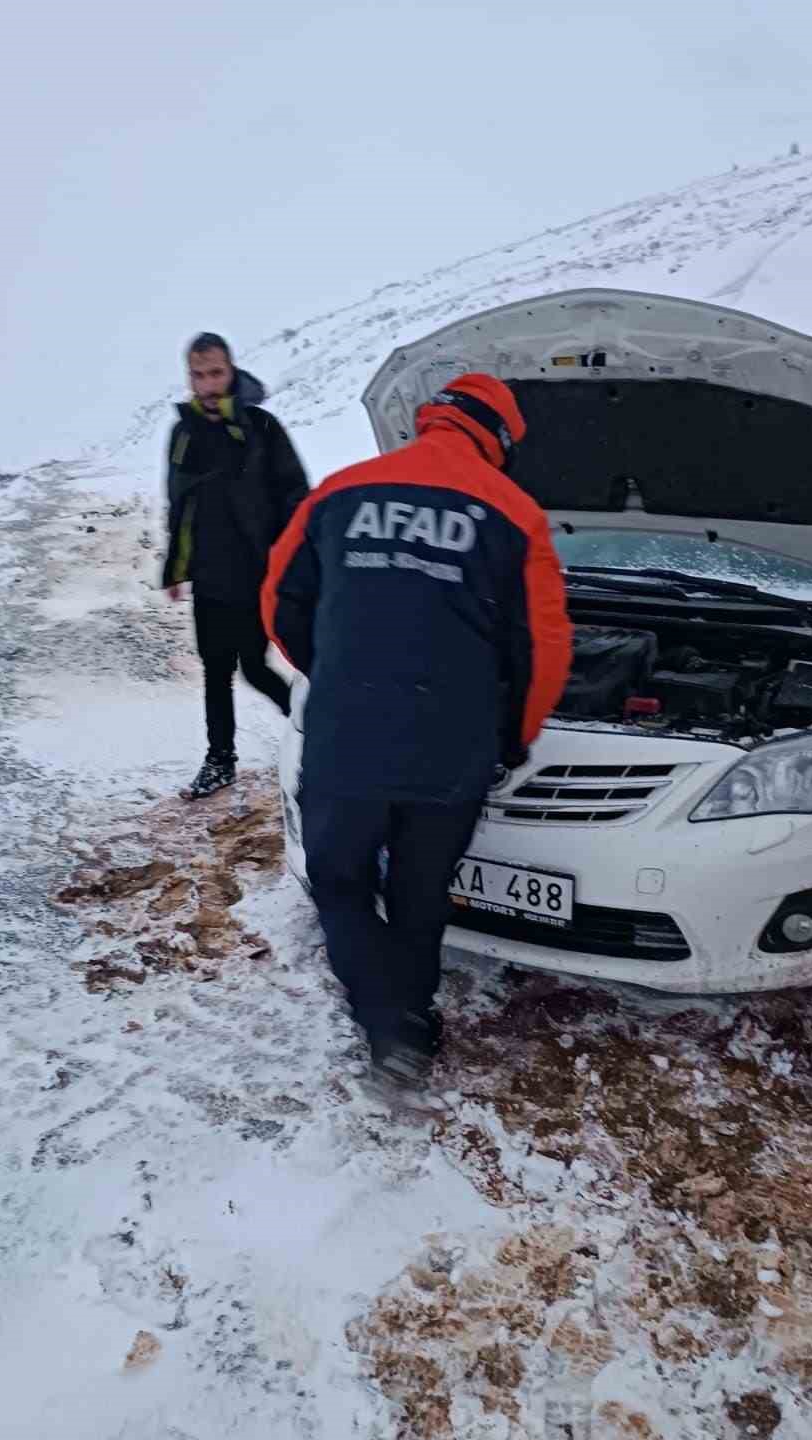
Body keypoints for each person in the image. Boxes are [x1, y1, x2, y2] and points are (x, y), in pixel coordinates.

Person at [262, 373, 572, 1092]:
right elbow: (546, 648)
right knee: (420, 889)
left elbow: (278, 601)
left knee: (339, 882)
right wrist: (512, 735)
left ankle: (388, 1026)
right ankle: (412, 1011)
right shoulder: (513, 512)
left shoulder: (340, 491)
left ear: (431, 418)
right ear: (499, 438)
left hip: (347, 739)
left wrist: (335, 676)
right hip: (451, 748)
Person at [162, 332, 309, 800]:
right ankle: (219, 761)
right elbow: (180, 504)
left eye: (216, 373)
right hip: (209, 577)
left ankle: (317, 731)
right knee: (216, 671)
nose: (208, 384)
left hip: (256, 575)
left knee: (254, 668)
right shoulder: (184, 432)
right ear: (190, 378)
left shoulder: (260, 427)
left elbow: (295, 496)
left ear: (231, 372)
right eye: (199, 375)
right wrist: (175, 567)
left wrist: (292, 561)